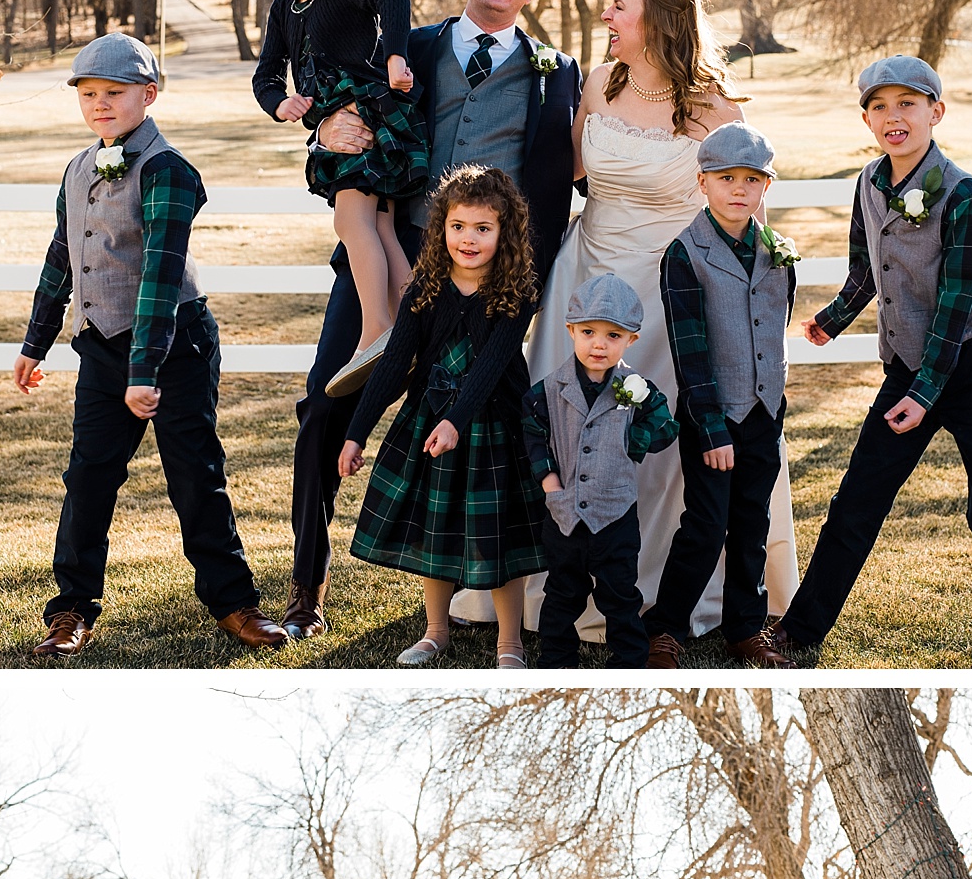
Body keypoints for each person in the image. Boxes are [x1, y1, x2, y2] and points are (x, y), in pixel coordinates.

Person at [468, 0, 796, 642]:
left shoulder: (713, 108)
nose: (608, 17)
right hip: (585, 274)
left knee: (662, 440)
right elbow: (565, 175)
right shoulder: (599, 82)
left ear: (659, 20)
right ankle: (558, 583)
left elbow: (744, 208)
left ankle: (659, 594)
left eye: (620, 7)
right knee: (563, 429)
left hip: (673, 288)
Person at [277, 0, 580, 643]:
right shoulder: (409, 46)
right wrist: (321, 129)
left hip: (489, 274)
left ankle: (473, 603)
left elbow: (555, 183)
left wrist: (524, 279)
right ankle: (306, 585)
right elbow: (339, 105)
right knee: (325, 402)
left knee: (479, 431)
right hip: (392, 251)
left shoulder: (556, 72)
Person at [13, 31, 285, 658]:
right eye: (89, 93)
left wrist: (146, 372)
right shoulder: (78, 167)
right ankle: (72, 610)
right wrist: (37, 340)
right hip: (103, 349)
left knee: (194, 477)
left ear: (149, 95)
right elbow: (63, 257)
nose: (101, 103)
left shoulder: (170, 171)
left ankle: (235, 604)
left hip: (174, 348)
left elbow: (161, 279)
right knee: (87, 479)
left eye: (115, 92)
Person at [766, 55, 972, 671]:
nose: (894, 117)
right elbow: (866, 270)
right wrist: (831, 320)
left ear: (936, 113)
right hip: (908, 369)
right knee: (857, 501)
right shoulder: (867, 182)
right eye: (879, 106)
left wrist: (924, 393)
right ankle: (800, 629)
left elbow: (954, 302)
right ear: (866, 118)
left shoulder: (966, 196)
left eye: (907, 104)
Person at [338, 167, 547, 669]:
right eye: (458, 227)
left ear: (505, 233)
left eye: (482, 229)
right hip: (428, 423)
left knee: (496, 535)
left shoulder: (515, 292)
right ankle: (435, 631)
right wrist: (356, 433)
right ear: (442, 228)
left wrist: (456, 421)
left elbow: (492, 368)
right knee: (434, 529)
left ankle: (509, 642)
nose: (468, 239)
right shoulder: (425, 287)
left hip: (493, 426)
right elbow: (393, 364)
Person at [644, 123, 798, 670]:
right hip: (712, 417)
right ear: (703, 183)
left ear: (765, 188)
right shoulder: (685, 254)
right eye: (726, 178)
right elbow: (689, 351)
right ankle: (663, 628)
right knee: (707, 527)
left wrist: (774, 405)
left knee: (753, 524)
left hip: (763, 413)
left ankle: (745, 629)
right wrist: (710, 429)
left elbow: (772, 329)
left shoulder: (777, 251)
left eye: (751, 180)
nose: (739, 189)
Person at [252, 0, 426, 357]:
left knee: (351, 223)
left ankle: (376, 329)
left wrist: (394, 57)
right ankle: (415, 331)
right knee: (381, 229)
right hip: (337, 120)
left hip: (367, 114)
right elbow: (266, 74)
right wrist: (280, 104)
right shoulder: (283, 7)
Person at [522, 273, 679, 667]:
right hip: (564, 514)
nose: (599, 344)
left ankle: (629, 661)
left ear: (631, 341)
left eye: (613, 335)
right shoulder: (547, 390)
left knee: (620, 594)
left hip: (616, 515)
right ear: (571, 330)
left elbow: (664, 428)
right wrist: (551, 485)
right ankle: (556, 661)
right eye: (589, 332)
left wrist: (632, 441)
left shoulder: (637, 388)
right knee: (562, 593)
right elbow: (532, 437)